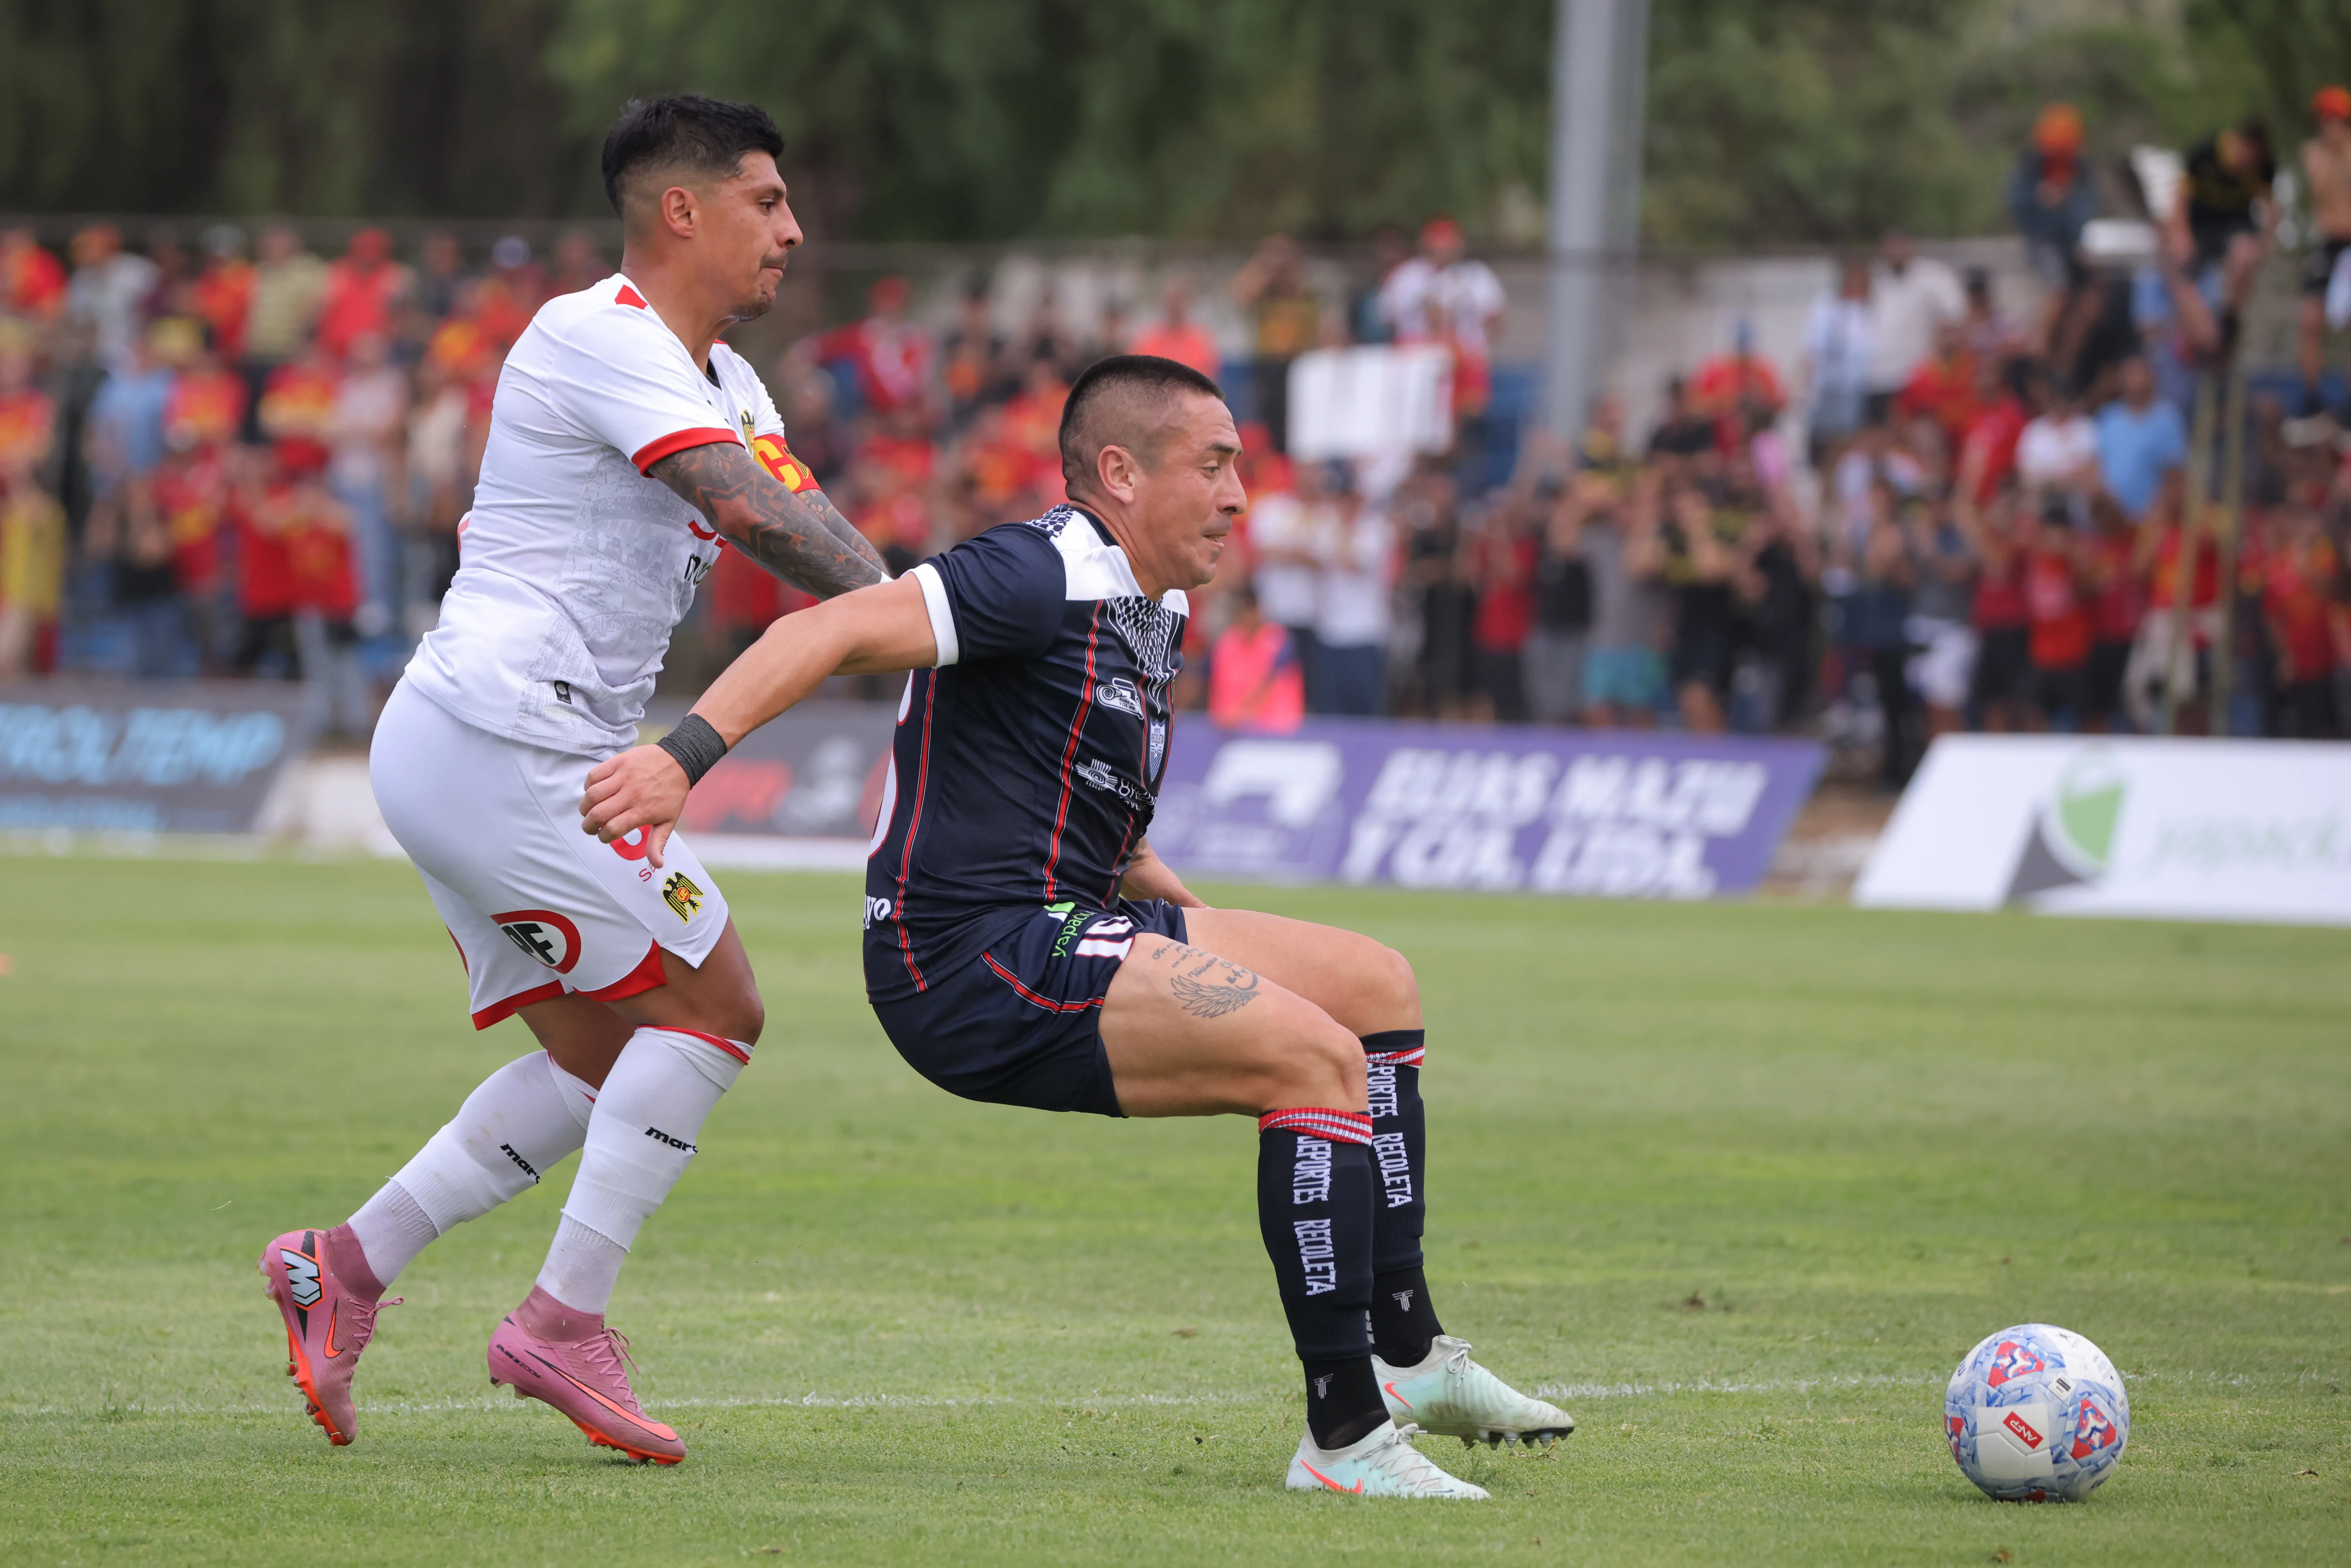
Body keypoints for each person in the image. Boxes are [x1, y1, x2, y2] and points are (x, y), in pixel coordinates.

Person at [580, 354, 1573, 1497]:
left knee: (1373, 986)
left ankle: (1407, 1355)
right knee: (1312, 1057)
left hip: (1077, 916)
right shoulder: (1034, 569)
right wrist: (678, 760)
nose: (1240, 495)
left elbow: (1085, 788)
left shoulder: (1162, 605)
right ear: (1120, 472)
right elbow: (832, 632)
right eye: (1213, 466)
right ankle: (1344, 1438)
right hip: (965, 957)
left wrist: (1183, 915)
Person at [255, 95, 891, 1467]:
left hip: (478, 737)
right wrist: (927, 611)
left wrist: (903, 606)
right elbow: (755, 514)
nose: (793, 228)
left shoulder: (730, 381)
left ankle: (342, 1262)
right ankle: (559, 1321)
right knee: (718, 1008)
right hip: (512, 736)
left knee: (613, 1062)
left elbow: (796, 507)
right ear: (682, 211)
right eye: (767, 202)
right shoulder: (593, 332)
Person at [1864, 231, 1964, 428]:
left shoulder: (1932, 277)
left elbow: (1955, 315)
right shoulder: (1875, 279)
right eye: (1891, 247)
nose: (1896, 253)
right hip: (1877, 376)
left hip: (1915, 375)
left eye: (1901, 246)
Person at [2297, 87, 2351, 416]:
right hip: (2328, 243)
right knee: (2310, 320)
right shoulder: (2314, 154)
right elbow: (2323, 190)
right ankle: (2312, 396)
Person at [2095, 355, 2188, 524]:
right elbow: (2097, 465)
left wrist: (2157, 514)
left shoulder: (2166, 419)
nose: (2136, 382)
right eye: (2130, 375)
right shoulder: (2109, 417)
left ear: (2151, 378)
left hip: (2150, 522)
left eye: (2140, 374)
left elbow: (2175, 475)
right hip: (2113, 523)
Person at [1206, 585, 1305, 731]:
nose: (1247, 617)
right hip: (1229, 729)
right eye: (1242, 611)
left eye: (1250, 610)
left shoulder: (1281, 641)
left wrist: (1239, 714)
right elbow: (1218, 689)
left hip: (1276, 728)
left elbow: (1268, 683)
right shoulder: (1225, 644)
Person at [1129, 276, 1222, 382]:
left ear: (1189, 301)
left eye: (1180, 298)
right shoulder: (1147, 338)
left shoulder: (1202, 340)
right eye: (1172, 298)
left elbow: (1211, 377)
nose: (1176, 304)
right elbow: (1136, 377)